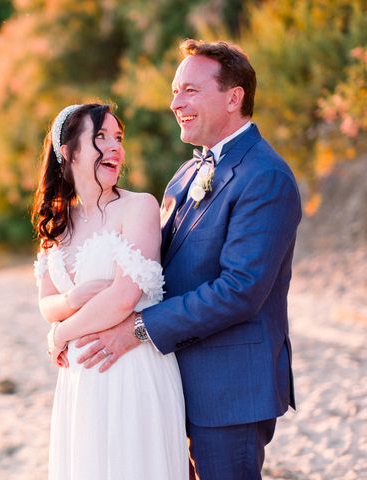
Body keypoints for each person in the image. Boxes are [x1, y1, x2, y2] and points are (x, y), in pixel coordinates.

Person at [74, 40, 302, 479]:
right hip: (170, 381)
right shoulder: (185, 174)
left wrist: (138, 330)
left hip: (229, 388)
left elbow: (239, 291)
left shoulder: (265, 176)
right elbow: (155, 269)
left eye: (190, 91)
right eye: (175, 91)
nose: (175, 103)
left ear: (233, 97)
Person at [32, 103, 188, 479]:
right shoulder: (59, 221)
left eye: (118, 137)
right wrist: (70, 302)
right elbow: (46, 303)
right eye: (100, 137)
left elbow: (123, 298)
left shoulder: (138, 206)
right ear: (67, 152)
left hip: (131, 369)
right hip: (80, 382)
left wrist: (63, 333)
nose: (115, 147)